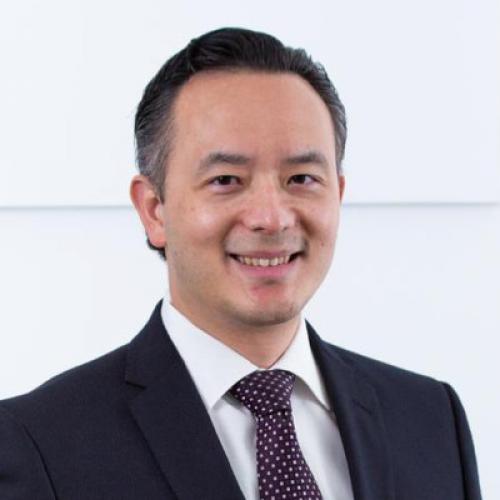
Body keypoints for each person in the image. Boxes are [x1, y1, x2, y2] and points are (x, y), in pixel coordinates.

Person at [0, 27, 481, 500]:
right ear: (154, 209)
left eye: (301, 178)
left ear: (337, 194)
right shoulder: (40, 444)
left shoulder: (430, 419)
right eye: (226, 180)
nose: (271, 218)